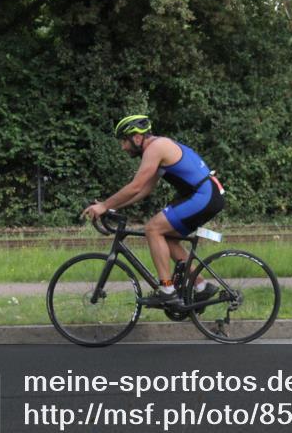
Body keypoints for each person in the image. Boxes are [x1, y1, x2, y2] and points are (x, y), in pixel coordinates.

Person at [82, 115, 224, 308]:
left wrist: (104, 205)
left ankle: (167, 291)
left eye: (124, 140)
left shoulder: (156, 148)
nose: (123, 147)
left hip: (203, 195)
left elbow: (135, 186)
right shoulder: (157, 147)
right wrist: (112, 206)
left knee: (152, 228)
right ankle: (201, 286)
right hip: (205, 195)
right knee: (166, 237)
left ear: (137, 137)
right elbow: (144, 190)